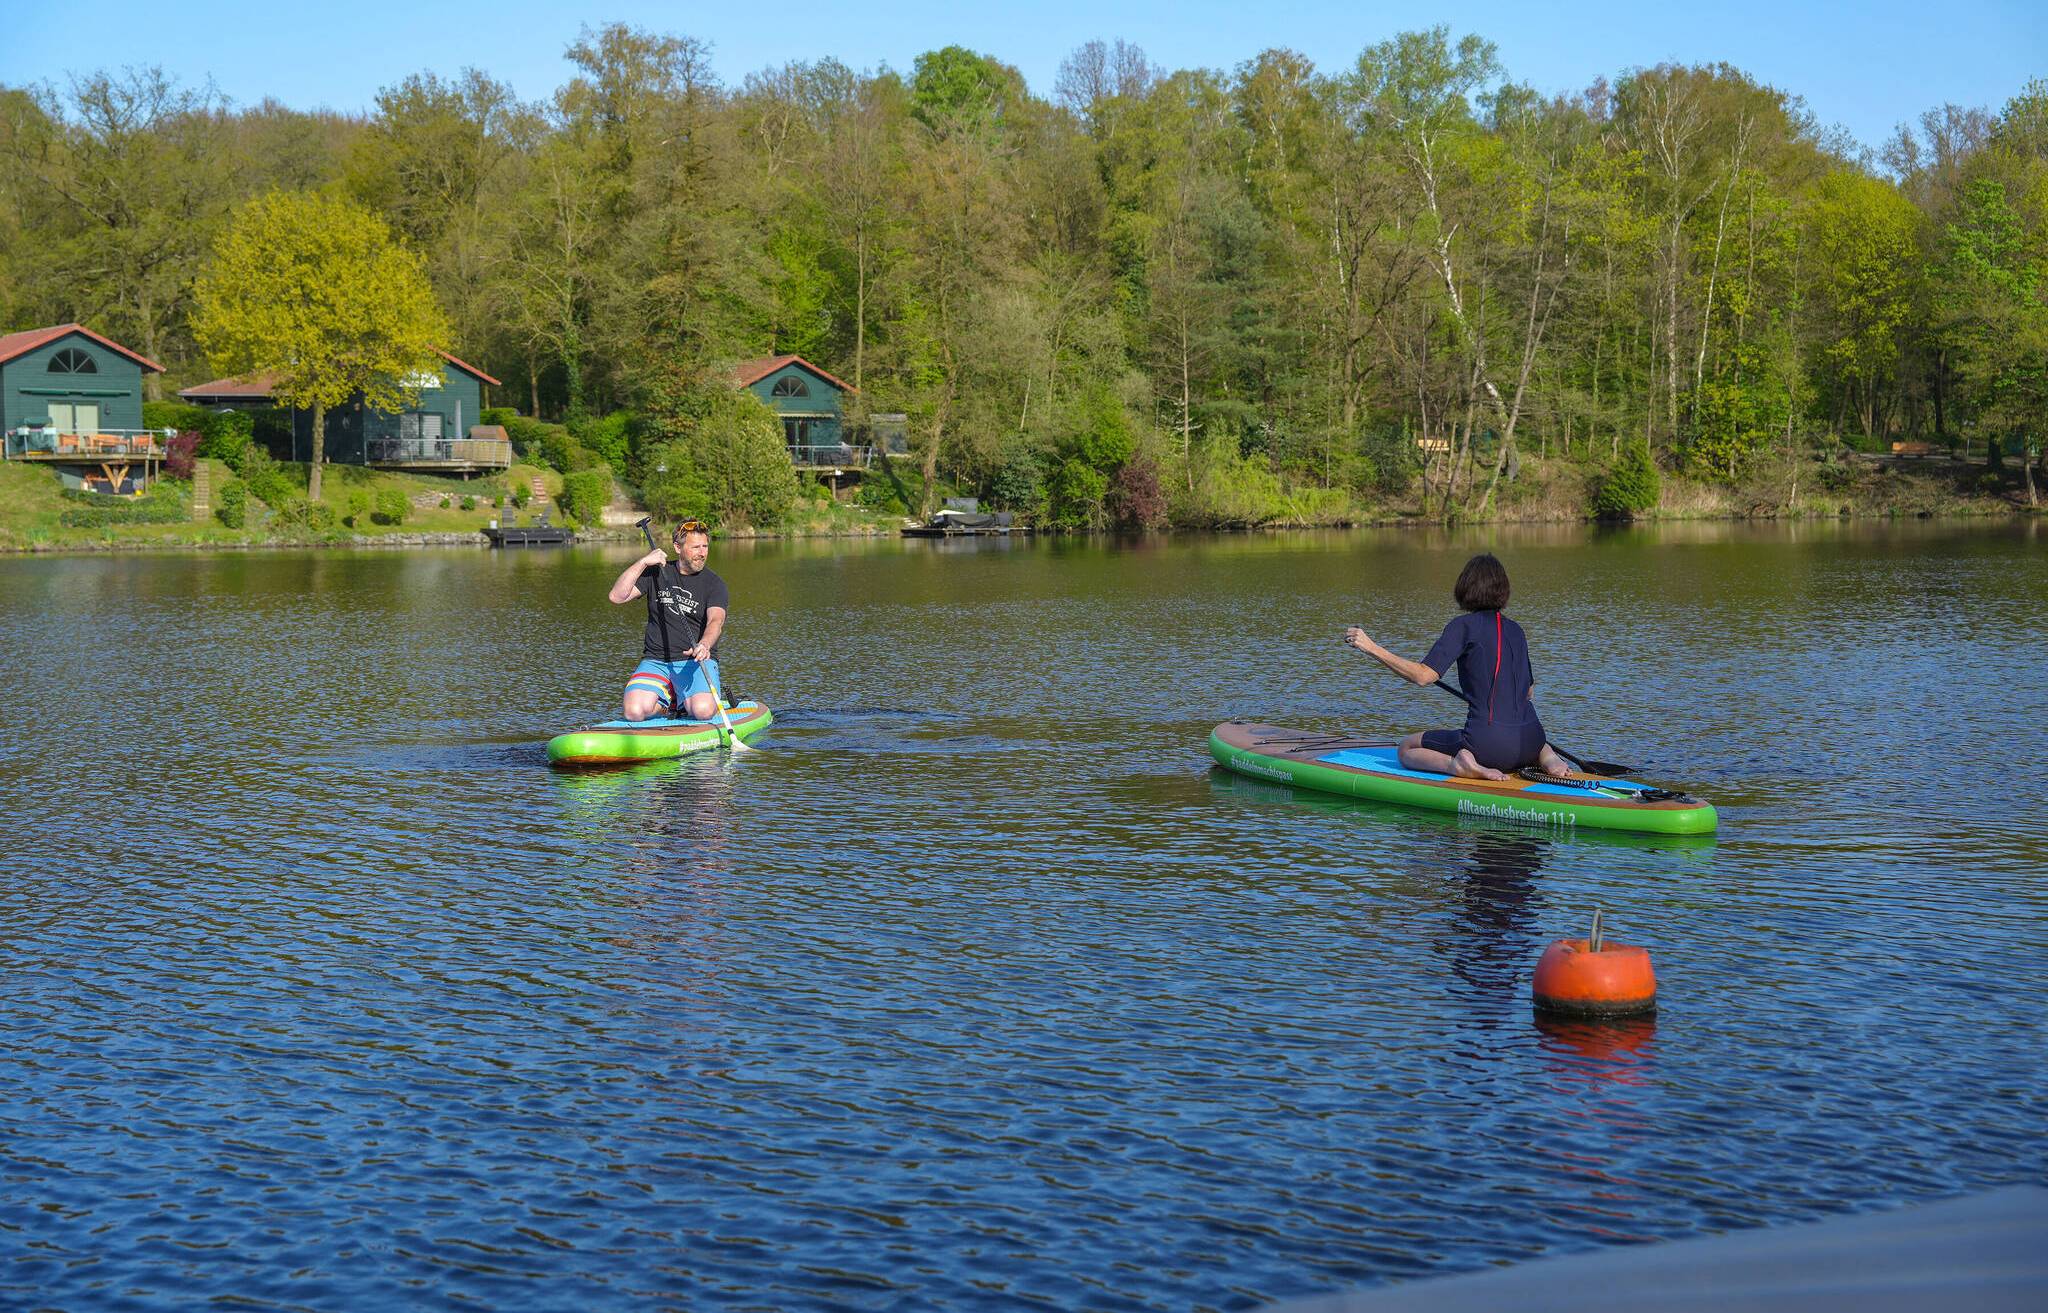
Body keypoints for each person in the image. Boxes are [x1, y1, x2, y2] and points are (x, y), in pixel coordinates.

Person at [1342, 552, 1573, 782]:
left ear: (1465, 587)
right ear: (1503, 590)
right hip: (1531, 740)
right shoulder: (1516, 630)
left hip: (1489, 748)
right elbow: (1528, 691)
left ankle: (1458, 765)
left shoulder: (1463, 626)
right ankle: (1548, 757)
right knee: (1520, 726)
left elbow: (1423, 676)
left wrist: (1371, 647)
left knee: (1406, 749)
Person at [607, 519, 729, 721]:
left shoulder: (714, 584)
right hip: (656, 661)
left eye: (705, 546)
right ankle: (670, 706)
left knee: (701, 711)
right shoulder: (656, 573)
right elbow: (616, 597)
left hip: (696, 662)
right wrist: (643, 562)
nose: (702, 552)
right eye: (695, 547)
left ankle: (691, 699)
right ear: (677, 548)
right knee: (634, 712)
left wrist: (705, 644)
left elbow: (716, 621)